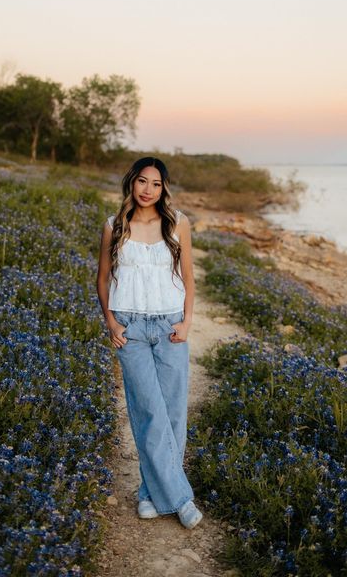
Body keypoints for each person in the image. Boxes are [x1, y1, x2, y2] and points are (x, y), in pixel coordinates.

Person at [96, 156, 203, 529]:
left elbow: (188, 278)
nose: (147, 190)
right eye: (142, 182)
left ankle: (148, 493)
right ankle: (180, 499)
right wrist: (111, 321)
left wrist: (187, 322)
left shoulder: (178, 225)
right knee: (148, 412)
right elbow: (103, 280)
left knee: (173, 413)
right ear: (132, 183)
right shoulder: (114, 226)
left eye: (155, 184)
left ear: (164, 188)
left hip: (170, 325)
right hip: (131, 329)